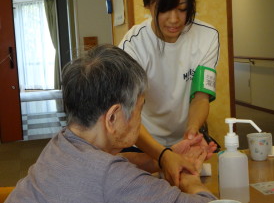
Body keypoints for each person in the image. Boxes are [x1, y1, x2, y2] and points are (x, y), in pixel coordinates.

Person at [5, 45, 217, 203]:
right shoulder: (112, 179)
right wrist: (191, 183)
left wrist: (161, 160)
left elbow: (110, 165)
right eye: (140, 109)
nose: (139, 118)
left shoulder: (61, 144)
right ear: (113, 117)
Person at [119, 0, 219, 185]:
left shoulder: (207, 37)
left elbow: (201, 97)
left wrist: (192, 130)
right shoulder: (133, 46)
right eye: (164, 9)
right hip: (143, 140)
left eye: (182, 9)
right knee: (124, 169)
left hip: (183, 140)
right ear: (148, 4)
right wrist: (164, 156)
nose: (174, 19)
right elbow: (128, 115)